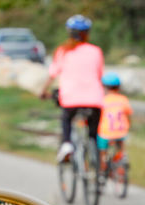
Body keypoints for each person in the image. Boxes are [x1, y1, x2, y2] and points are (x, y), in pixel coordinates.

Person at [40, 14, 105, 162]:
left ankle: (67, 144)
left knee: (66, 119)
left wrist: (43, 91)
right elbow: (100, 75)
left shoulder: (63, 51)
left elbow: (52, 74)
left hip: (71, 99)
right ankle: (95, 155)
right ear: (87, 33)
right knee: (93, 133)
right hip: (94, 99)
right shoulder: (96, 51)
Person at [97, 72, 132, 171]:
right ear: (119, 87)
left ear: (104, 87)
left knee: (102, 149)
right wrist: (128, 125)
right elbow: (128, 115)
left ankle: (102, 166)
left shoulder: (102, 100)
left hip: (106, 132)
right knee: (120, 144)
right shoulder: (123, 99)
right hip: (121, 131)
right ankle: (122, 156)